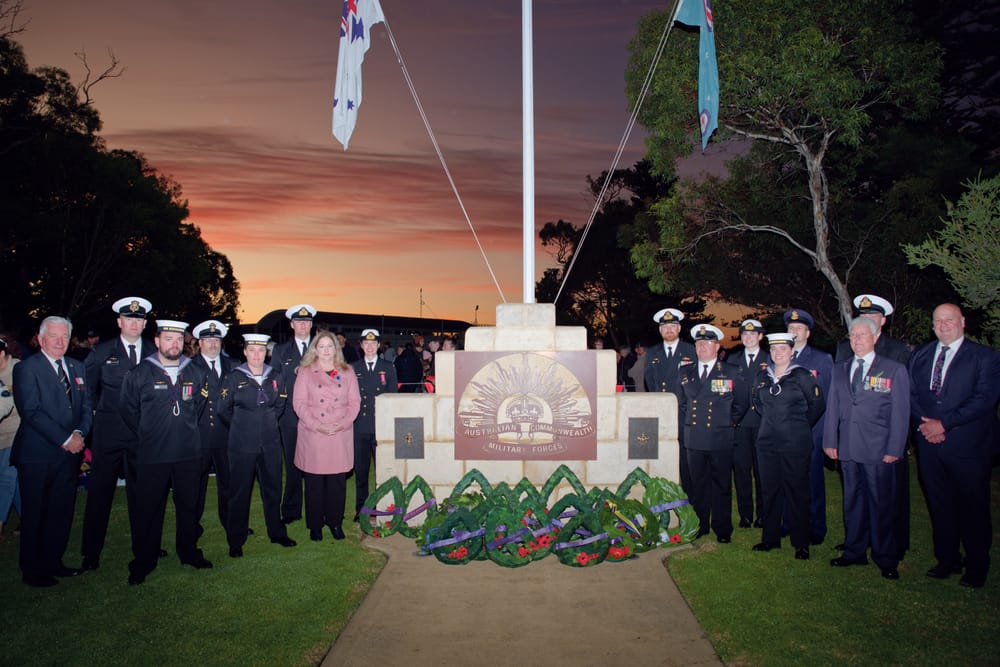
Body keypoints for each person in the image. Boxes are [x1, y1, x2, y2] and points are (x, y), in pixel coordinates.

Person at [910, 303, 1000, 588]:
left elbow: (984, 399)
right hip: (929, 445)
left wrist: (943, 424)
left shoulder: (985, 357)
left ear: (962, 321)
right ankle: (947, 559)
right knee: (939, 504)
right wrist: (924, 423)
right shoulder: (921, 355)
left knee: (972, 506)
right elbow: (909, 394)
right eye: (938, 320)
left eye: (949, 319)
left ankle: (976, 565)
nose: (943, 325)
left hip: (968, 446)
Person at [119, 320, 212, 585]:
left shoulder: (194, 371)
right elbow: (128, 411)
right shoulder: (139, 373)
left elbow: (199, 404)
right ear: (157, 341)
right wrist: (151, 433)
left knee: (188, 506)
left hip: (188, 452)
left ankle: (189, 552)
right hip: (154, 453)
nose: (174, 344)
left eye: (178, 339)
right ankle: (144, 560)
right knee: (148, 508)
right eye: (168, 338)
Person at [824, 317, 910, 580]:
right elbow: (833, 408)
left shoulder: (893, 369)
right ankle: (854, 551)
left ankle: (885, 557)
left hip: (878, 449)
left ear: (875, 337)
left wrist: (895, 447)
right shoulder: (841, 369)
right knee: (853, 502)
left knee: (881, 504)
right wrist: (830, 441)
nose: (857, 339)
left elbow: (901, 413)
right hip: (848, 448)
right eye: (853, 335)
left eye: (862, 335)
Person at [12, 316, 92, 587]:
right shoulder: (27, 368)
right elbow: (31, 411)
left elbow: (86, 407)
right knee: (36, 512)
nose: (60, 342)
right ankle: (32, 569)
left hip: (69, 455)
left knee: (61, 511)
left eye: (65, 337)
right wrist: (65, 438)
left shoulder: (77, 366)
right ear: (41, 338)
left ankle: (53, 561)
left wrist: (80, 434)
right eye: (54, 336)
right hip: (38, 455)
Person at [80, 296, 154, 572]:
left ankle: (146, 547)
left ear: (145, 323)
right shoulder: (101, 352)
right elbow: (89, 392)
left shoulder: (152, 351)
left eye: (139, 319)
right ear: (119, 321)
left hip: (142, 436)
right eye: (129, 319)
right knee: (100, 494)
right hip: (109, 436)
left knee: (144, 494)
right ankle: (91, 552)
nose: (134, 323)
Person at [219, 333, 295, 557]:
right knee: (239, 492)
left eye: (261, 350)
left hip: (270, 443)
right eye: (252, 350)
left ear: (267, 353)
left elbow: (280, 405)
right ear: (245, 352)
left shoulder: (276, 376)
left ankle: (277, 532)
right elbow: (223, 409)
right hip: (242, 444)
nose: (256, 355)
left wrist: (266, 424)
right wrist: (243, 427)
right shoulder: (234, 377)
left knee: (272, 489)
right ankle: (236, 539)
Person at [751, 332, 825, 560]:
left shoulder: (802, 375)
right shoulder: (762, 377)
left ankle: (801, 542)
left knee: (797, 492)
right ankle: (770, 539)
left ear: (792, 351)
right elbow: (757, 404)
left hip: (795, 444)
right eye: (774, 350)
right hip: (767, 443)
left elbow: (817, 405)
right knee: (770, 491)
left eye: (783, 349)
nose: (777, 353)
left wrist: (798, 426)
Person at [677, 324, 748, 543]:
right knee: (698, 486)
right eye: (699, 343)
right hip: (694, 437)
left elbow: (742, 402)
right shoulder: (685, 372)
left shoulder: (730, 371)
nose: (702, 347)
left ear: (717, 347)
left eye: (708, 343)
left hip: (720, 437)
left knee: (722, 485)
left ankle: (722, 528)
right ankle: (701, 525)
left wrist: (728, 422)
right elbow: (682, 403)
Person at [293, 331, 361, 541]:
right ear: (315, 349)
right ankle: (315, 525)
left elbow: (355, 402)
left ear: (336, 349)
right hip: (314, 433)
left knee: (337, 483)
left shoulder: (347, 371)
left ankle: (335, 523)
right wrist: (317, 425)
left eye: (329, 346)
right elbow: (299, 403)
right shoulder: (305, 372)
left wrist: (342, 424)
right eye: (321, 346)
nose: (325, 350)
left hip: (339, 434)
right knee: (314, 483)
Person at [784, 308, 832, 545]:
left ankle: (816, 527)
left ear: (808, 333)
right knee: (786, 478)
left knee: (811, 481)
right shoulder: (780, 357)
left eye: (799, 329)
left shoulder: (821, 360)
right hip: (784, 434)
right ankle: (787, 522)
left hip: (811, 432)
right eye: (790, 329)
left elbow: (826, 400)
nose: (794, 332)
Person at [270, 303, 316, 525]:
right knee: (292, 464)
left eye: (307, 322)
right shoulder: (280, 351)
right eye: (299, 322)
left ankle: (317, 508)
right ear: (292, 325)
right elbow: (275, 382)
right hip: (289, 416)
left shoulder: (321, 349)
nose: (303, 325)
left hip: (317, 416)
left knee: (317, 464)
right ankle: (291, 509)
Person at [189, 319, 236, 537]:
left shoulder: (233, 366)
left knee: (229, 484)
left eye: (216, 340)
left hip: (226, 435)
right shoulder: (188, 367)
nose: (213, 344)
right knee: (195, 487)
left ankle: (231, 522)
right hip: (199, 435)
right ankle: (192, 525)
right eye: (208, 340)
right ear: (200, 342)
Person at [644, 308, 697, 493]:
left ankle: (690, 496)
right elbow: (650, 381)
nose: (669, 329)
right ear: (660, 330)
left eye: (673, 326)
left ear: (679, 328)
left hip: (685, 412)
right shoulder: (652, 353)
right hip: (662, 412)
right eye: (665, 326)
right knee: (663, 454)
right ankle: (663, 493)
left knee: (686, 459)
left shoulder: (691, 350)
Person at [725, 319, 769, 528]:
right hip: (740, 424)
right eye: (744, 334)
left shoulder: (770, 359)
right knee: (741, 471)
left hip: (762, 424)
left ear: (761, 336)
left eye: (753, 334)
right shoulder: (732, 360)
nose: (748, 338)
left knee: (762, 472)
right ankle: (745, 514)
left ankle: (762, 514)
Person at [351, 329, 397, 521]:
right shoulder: (353, 368)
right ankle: (361, 509)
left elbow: (393, 397)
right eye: (366, 343)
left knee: (382, 470)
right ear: (361, 346)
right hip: (360, 426)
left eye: (373, 343)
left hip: (380, 427)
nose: (369, 346)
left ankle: (381, 506)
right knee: (361, 472)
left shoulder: (389, 367)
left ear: (379, 345)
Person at [0, 335, 23, 543]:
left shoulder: (18, 370)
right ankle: (29, 518)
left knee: (6, 476)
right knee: (13, 483)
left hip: (16, 431)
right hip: (0, 434)